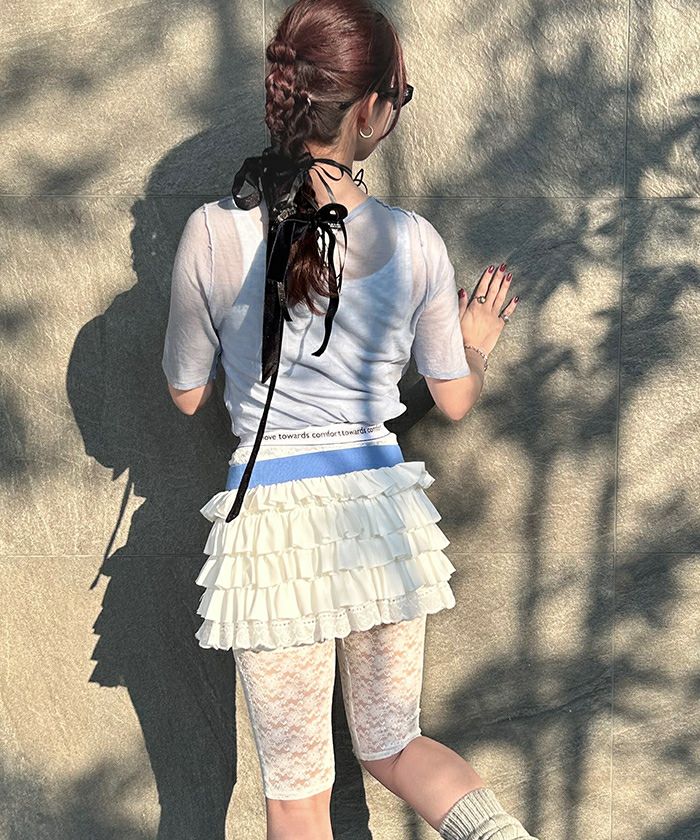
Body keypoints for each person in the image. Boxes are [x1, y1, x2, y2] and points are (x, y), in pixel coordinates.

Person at [160, 1, 536, 839]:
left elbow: (186, 396)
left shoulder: (212, 231)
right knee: (393, 744)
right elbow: (454, 396)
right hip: (378, 517)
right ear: (368, 110)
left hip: (274, 530)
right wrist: (476, 343)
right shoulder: (413, 241)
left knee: (298, 793)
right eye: (398, 94)